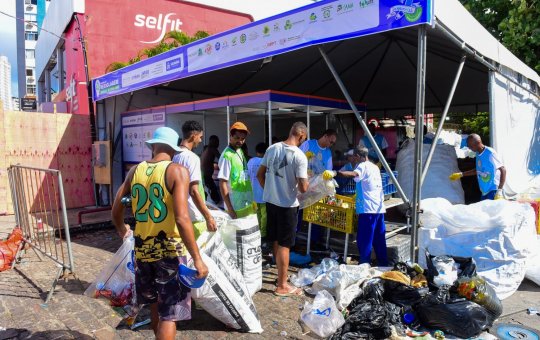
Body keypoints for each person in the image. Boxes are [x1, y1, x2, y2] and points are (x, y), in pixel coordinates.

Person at [111, 127, 208, 340]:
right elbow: (182, 219)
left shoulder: (134, 171)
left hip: (143, 250)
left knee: (155, 304)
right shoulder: (177, 171)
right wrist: (198, 259)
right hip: (169, 251)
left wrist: (121, 228)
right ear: (174, 150)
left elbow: (116, 208)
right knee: (169, 313)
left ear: (153, 147)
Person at [257, 122, 309, 296]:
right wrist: (308, 180)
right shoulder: (300, 156)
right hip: (287, 205)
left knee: (276, 241)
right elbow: (303, 188)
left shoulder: (272, 148)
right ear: (301, 135)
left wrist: (270, 190)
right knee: (285, 245)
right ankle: (282, 285)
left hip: (271, 202)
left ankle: (280, 275)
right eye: (304, 139)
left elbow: (260, 174)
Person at [338, 147, 388, 266]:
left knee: (364, 240)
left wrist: (336, 173)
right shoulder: (374, 166)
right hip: (378, 209)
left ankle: (364, 264)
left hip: (368, 209)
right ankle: (383, 264)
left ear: (358, 156)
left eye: (353, 156)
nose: (352, 159)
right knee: (379, 239)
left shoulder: (362, 165)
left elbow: (354, 174)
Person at [172, 121, 217, 239]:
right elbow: (194, 191)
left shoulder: (173, 155)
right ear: (193, 136)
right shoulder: (192, 158)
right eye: (200, 137)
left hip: (177, 213)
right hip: (193, 215)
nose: (201, 141)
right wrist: (208, 217)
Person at [299, 129, 338, 244]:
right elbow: (297, 159)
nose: (331, 145)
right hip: (304, 185)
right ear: (325, 136)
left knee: (317, 213)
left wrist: (328, 175)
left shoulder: (328, 152)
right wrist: (305, 159)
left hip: (318, 188)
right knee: (299, 211)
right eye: (331, 142)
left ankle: (315, 241)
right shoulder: (308, 144)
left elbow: (329, 169)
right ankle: (294, 239)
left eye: (333, 143)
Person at [449, 133, 506, 200]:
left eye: (471, 146)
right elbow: (478, 170)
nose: (469, 147)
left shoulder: (490, 153)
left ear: (478, 143)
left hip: (493, 190)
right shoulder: (478, 154)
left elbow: (503, 169)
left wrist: (499, 190)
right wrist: (461, 174)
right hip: (484, 191)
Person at [218, 122, 255, 219]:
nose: (240, 141)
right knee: (237, 233)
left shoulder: (239, 150)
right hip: (235, 206)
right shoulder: (227, 156)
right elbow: (222, 183)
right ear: (230, 136)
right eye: (237, 138)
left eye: (243, 139)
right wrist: (230, 208)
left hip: (245, 203)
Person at [248, 142, 269, 242]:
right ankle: (263, 234)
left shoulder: (250, 161)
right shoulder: (266, 162)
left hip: (253, 194)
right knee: (264, 216)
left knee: (256, 214)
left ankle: (256, 233)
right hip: (264, 193)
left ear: (256, 151)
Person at [201, 135, 221, 204]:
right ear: (213, 142)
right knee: (213, 189)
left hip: (203, 173)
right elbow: (221, 159)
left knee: (209, 188)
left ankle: (211, 201)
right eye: (217, 142)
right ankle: (216, 202)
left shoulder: (206, 148)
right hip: (207, 173)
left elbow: (208, 160)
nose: (218, 144)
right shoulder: (212, 148)